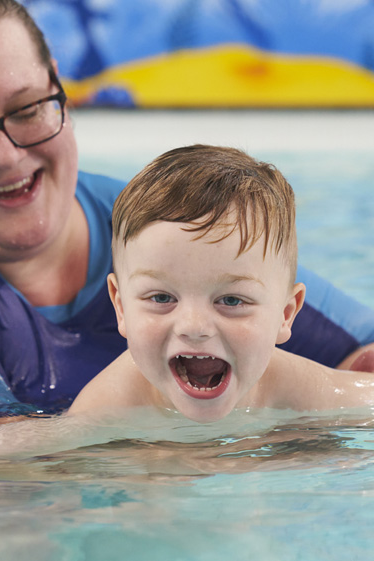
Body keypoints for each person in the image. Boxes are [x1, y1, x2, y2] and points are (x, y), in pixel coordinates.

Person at [0, 0, 373, 443]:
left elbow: (362, 359)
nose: (6, 155)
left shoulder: (161, 226)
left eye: (26, 109)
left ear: (57, 89)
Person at [69, 145, 374, 421]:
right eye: (162, 298)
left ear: (285, 314)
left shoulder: (305, 394)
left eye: (231, 300)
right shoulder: (107, 408)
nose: (193, 325)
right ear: (121, 308)